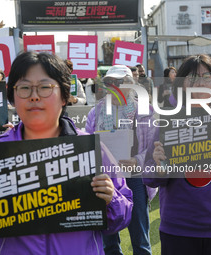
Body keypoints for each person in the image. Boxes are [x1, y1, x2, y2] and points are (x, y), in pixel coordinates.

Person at [0, 51, 133, 255]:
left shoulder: (90, 147)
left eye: (45, 87)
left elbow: (122, 215)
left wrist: (112, 199)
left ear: (65, 96)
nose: (34, 96)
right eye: (24, 88)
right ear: (12, 97)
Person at [142, 54, 211, 255]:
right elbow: (149, 178)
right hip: (179, 228)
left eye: (207, 76)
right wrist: (159, 165)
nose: (200, 83)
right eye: (191, 77)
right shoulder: (168, 123)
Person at [85, 65, 157, 255]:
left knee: (140, 236)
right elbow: (87, 142)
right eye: (111, 82)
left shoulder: (145, 110)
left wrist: (137, 160)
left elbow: (153, 145)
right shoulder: (96, 111)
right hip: (106, 179)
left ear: (130, 84)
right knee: (109, 239)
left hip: (135, 176)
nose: (114, 86)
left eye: (120, 82)